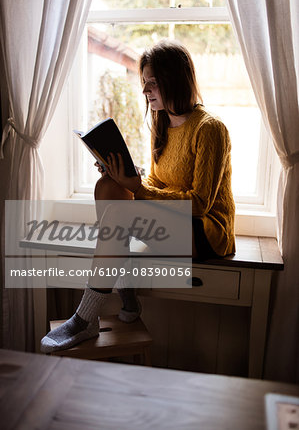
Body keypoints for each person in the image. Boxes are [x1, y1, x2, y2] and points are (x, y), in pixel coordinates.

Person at [40, 39, 235, 353]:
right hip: (175, 223)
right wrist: (124, 177)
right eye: (145, 83)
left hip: (207, 231)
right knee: (107, 187)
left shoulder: (210, 129)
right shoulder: (163, 126)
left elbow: (199, 204)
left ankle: (85, 318)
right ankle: (126, 293)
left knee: (120, 208)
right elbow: (159, 185)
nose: (146, 91)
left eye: (153, 83)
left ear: (176, 80)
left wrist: (137, 188)